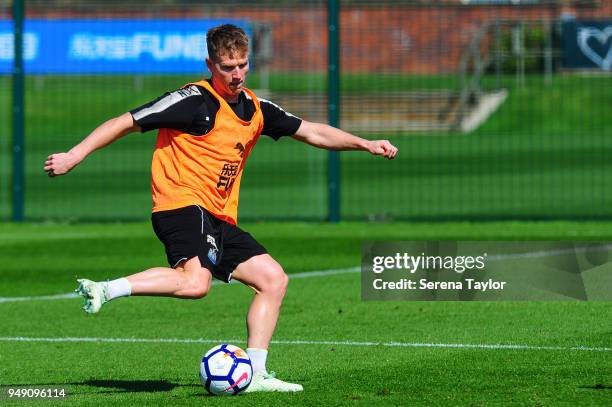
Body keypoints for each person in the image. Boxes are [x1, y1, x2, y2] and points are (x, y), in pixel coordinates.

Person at [44, 24, 398, 393]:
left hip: (219, 216)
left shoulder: (256, 108)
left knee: (273, 280)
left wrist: (365, 144)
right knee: (196, 283)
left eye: (243, 64)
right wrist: (75, 155)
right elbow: (127, 121)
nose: (237, 74)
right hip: (180, 205)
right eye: (228, 67)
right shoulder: (192, 99)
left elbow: (312, 131)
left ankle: (257, 373)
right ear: (210, 64)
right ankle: (105, 289)